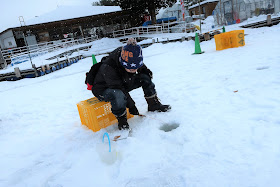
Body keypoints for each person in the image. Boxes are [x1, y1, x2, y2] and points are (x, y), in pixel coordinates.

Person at [86, 38, 171, 130]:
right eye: (131, 69)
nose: (134, 71)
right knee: (118, 94)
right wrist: (131, 106)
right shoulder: (109, 68)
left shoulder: (132, 56)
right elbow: (119, 88)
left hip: (122, 81)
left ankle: (153, 104)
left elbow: (140, 66)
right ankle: (122, 119)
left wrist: (146, 73)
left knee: (145, 78)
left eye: (135, 68)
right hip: (104, 89)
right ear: (123, 63)